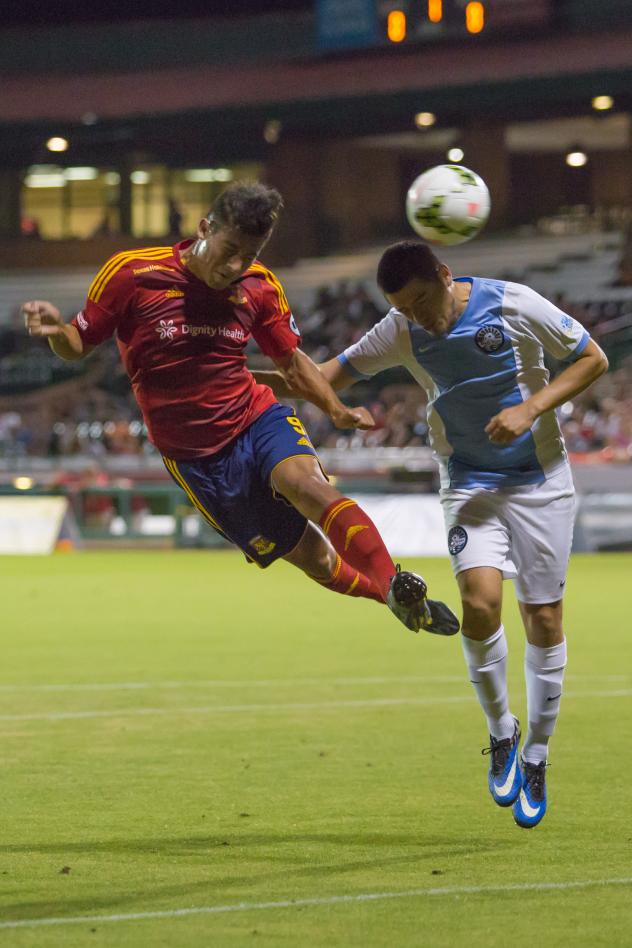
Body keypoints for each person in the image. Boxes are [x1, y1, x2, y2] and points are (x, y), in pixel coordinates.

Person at [257, 239, 608, 829]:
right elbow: (320, 379)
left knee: (544, 619)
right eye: (404, 308)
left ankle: (538, 754)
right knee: (479, 602)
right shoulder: (399, 328)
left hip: (541, 482)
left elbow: (593, 358)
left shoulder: (514, 305)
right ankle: (501, 730)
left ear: (446, 276)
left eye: (422, 301)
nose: (416, 316)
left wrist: (531, 409)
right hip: (468, 483)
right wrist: (222, 380)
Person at [22, 185, 458, 637]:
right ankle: (392, 598)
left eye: (247, 256)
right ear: (204, 229)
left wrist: (336, 409)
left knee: (307, 486)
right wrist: (57, 331)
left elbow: (292, 362)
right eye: (229, 250)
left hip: (255, 418)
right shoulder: (132, 274)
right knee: (318, 558)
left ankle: (393, 581)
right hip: (197, 459)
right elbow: (77, 345)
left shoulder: (260, 287)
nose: (235, 267)